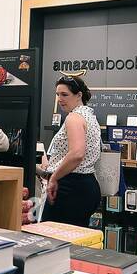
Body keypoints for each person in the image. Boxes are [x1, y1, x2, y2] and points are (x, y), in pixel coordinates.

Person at [37, 74, 101, 226]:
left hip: (69, 187)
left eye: (65, 94)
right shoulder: (90, 116)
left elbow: (77, 154)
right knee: (75, 242)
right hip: (87, 185)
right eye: (58, 94)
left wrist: (54, 178)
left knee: (51, 239)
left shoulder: (74, 118)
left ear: (79, 95)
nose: (60, 99)